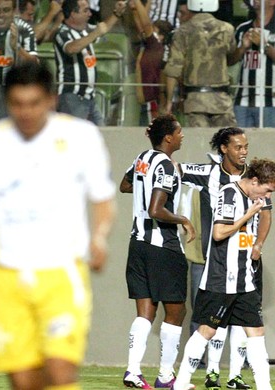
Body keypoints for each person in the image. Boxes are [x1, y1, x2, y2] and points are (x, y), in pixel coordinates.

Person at [0, 61, 116, 390]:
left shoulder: (80, 137)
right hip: (6, 276)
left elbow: (103, 198)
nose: (26, 113)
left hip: (62, 273)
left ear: (51, 99)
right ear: (7, 102)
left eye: (34, 103)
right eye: (18, 104)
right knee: (23, 380)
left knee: (60, 370)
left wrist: (100, 237)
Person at [173, 158, 275, 390]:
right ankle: (181, 382)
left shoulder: (256, 199)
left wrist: (258, 244)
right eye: (267, 190)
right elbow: (219, 232)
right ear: (254, 181)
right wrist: (248, 214)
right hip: (221, 278)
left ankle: (265, 387)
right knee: (207, 330)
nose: (268, 196)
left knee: (256, 331)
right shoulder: (230, 194)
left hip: (244, 280)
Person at [119, 114, 196, 389]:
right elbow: (156, 210)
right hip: (162, 246)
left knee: (145, 312)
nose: (182, 136)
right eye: (179, 131)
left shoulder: (142, 157)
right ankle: (165, 376)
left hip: (137, 243)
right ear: (168, 137)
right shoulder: (164, 164)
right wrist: (183, 220)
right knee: (176, 311)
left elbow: (126, 185)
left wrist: (142, 188)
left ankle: (132, 371)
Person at [162, 0, 237, 128]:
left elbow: (173, 69)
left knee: (198, 144)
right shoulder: (227, 29)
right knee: (227, 143)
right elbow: (231, 53)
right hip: (221, 99)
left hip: (194, 100)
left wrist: (168, 102)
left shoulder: (182, 31)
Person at [54, 0, 127, 125]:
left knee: (102, 135)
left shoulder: (86, 30)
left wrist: (116, 14)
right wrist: (96, 33)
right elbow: (71, 48)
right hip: (71, 96)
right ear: (73, 14)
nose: (90, 14)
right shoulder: (62, 32)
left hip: (89, 97)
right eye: (85, 10)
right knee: (74, 136)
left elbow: (104, 28)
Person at [230, 0, 275, 128]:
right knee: (238, 145)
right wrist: (242, 48)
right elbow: (231, 61)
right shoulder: (242, 29)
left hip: (271, 102)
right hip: (242, 100)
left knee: (269, 145)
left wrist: (265, 46)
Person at [131, 0, 173, 126]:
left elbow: (145, 24)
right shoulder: (158, 48)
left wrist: (138, 2)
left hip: (152, 103)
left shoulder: (155, 46)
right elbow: (141, 26)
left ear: (161, 36)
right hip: (152, 102)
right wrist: (134, 11)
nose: (148, 32)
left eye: (154, 30)